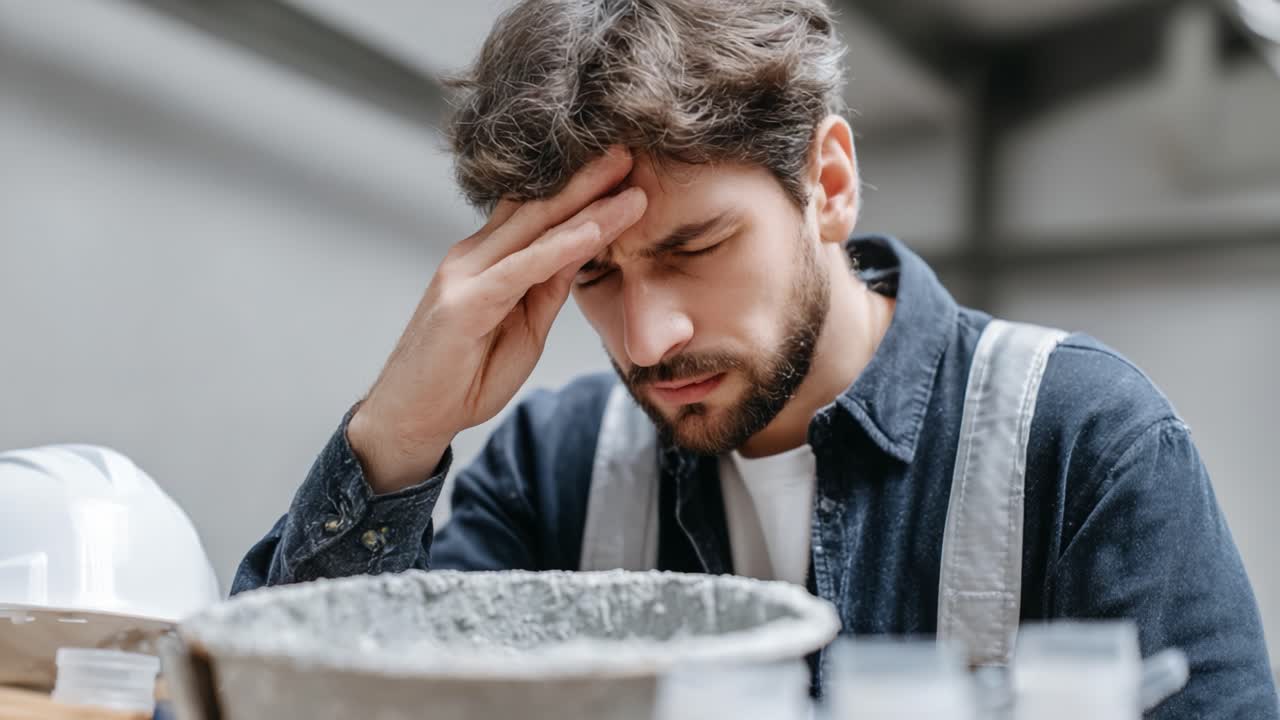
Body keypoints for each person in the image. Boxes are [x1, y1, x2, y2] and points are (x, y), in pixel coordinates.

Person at [232, 0, 1278, 715]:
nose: (647, 341)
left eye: (695, 249)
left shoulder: (1085, 448)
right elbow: (285, 701)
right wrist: (398, 437)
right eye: (594, 275)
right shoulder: (552, 476)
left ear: (824, 183)